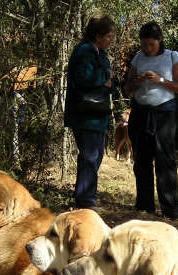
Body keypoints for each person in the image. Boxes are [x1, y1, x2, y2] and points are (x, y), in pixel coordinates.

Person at [124, 21, 178, 220]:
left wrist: (160, 80)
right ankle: (145, 206)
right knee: (141, 160)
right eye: (144, 45)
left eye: (151, 44)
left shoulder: (172, 56)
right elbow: (127, 88)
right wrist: (138, 81)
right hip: (140, 111)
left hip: (164, 113)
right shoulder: (138, 57)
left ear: (159, 40)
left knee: (164, 159)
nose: (147, 49)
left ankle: (170, 209)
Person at [64, 16, 115, 210]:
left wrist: (107, 80)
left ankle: (85, 197)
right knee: (90, 156)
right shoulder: (84, 51)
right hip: (86, 115)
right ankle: (85, 203)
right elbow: (84, 77)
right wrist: (105, 77)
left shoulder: (100, 53)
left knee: (95, 156)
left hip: (98, 114)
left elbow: (110, 82)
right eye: (109, 36)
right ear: (98, 35)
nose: (111, 40)